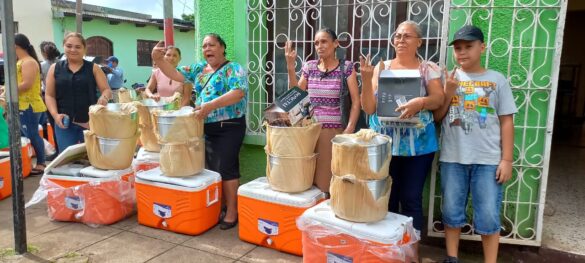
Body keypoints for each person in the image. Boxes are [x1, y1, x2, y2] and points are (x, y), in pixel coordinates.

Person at [360, 21, 444, 262]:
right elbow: (369, 108)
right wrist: (366, 80)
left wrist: (420, 102)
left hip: (418, 148)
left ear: (419, 41)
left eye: (407, 36)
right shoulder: (382, 66)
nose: (400, 40)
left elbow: (438, 98)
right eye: (397, 36)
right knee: (387, 198)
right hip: (386, 146)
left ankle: (410, 252)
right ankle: (388, 252)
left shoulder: (428, 69)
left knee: (411, 198)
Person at [434, 25, 516, 263]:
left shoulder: (496, 80)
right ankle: (452, 258)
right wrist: (448, 91)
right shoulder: (449, 78)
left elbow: (506, 121)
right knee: (451, 212)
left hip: (488, 161)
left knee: (489, 216)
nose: (462, 52)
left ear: (482, 47)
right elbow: (438, 117)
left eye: (468, 47)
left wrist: (507, 159)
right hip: (453, 158)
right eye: (458, 48)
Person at [151, 33, 247, 230]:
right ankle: (219, 206)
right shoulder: (198, 69)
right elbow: (174, 74)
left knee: (227, 168)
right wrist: (158, 59)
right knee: (212, 169)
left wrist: (210, 105)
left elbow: (238, 92)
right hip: (205, 127)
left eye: (212, 45)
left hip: (229, 126)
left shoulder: (234, 68)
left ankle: (232, 211)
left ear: (222, 47)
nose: (207, 49)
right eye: (204, 46)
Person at [284, 28, 361, 194]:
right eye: (317, 43)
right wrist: (291, 68)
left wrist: (349, 128)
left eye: (324, 41)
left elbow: (356, 101)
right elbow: (296, 95)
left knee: (325, 181)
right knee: (306, 177)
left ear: (335, 44)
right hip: (308, 130)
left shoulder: (346, 68)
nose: (320, 46)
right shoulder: (310, 67)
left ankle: (325, 211)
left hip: (332, 132)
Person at [45, 32, 112, 153]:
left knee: (92, 157)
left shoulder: (94, 68)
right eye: (69, 46)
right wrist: (55, 115)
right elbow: (49, 95)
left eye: (78, 47)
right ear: (64, 46)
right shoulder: (55, 68)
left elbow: (106, 90)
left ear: (84, 49)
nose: (73, 50)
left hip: (90, 122)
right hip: (64, 123)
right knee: (66, 160)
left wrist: (104, 98)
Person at [15, 33, 47, 175]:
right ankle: (36, 161)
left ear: (15, 46)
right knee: (27, 134)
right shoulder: (22, 61)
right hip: (23, 104)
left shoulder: (28, 62)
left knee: (32, 134)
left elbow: (26, 84)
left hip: (29, 105)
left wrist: (8, 90)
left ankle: (41, 163)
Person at [39, 41, 61, 153]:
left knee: (54, 124)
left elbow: (39, 83)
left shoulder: (42, 66)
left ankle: (58, 151)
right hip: (63, 97)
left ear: (43, 52)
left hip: (48, 98)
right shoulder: (62, 63)